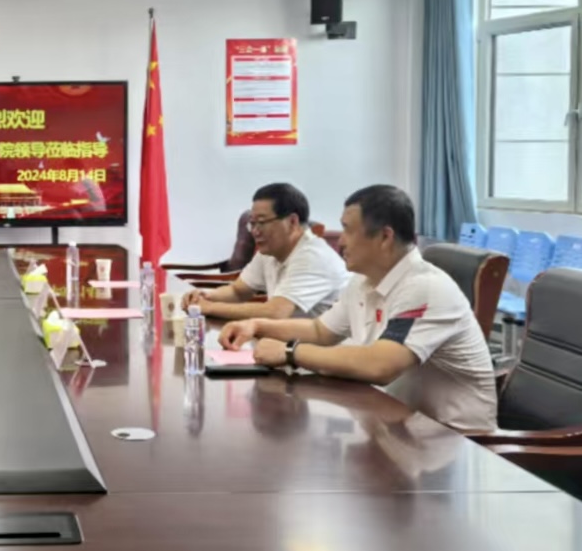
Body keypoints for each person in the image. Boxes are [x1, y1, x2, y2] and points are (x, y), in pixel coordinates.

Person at [219, 185, 497, 431]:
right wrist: (257, 325)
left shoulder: (424, 287)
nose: (340, 241)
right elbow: (320, 330)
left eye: (348, 230)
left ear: (385, 237)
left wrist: (290, 353)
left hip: (452, 441)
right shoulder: (364, 281)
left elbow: (380, 365)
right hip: (397, 425)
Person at [183, 183, 348, 320]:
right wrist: (205, 296)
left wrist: (210, 307)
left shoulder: (312, 257)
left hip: (328, 347)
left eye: (261, 223)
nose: (255, 231)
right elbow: (238, 291)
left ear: (292, 222)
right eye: (252, 224)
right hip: (288, 339)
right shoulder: (269, 251)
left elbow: (276, 312)